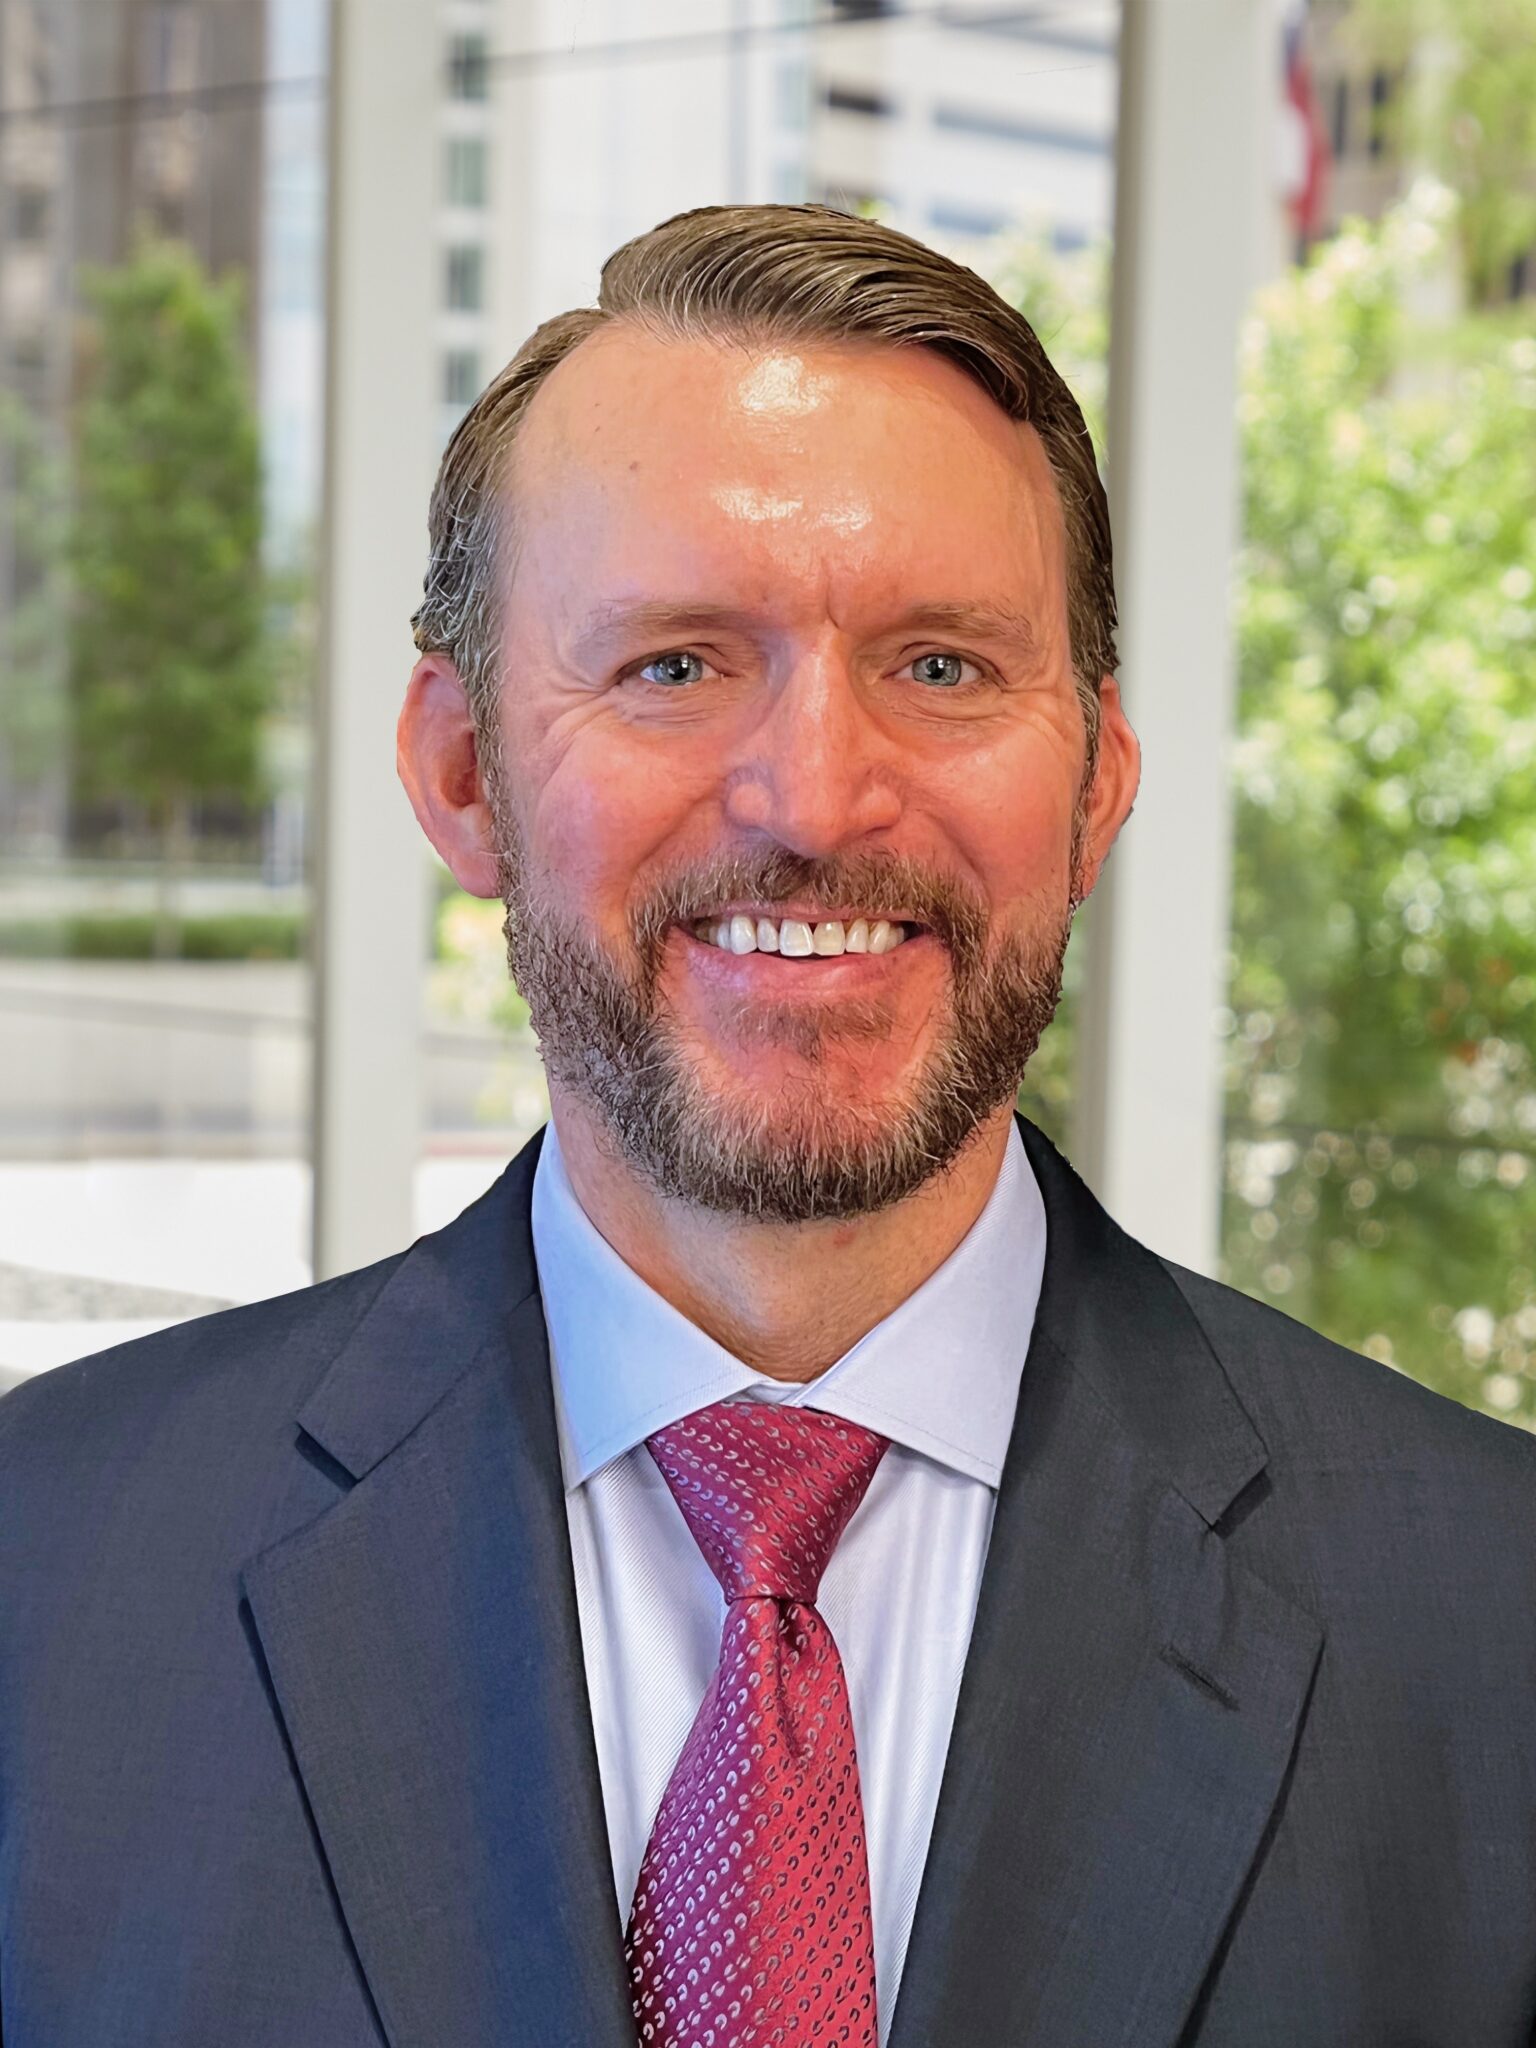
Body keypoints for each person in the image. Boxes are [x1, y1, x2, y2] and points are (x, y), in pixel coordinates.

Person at [1, 203, 1533, 2048]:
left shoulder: (1495, 1624)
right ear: (463, 772)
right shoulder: (43, 1575)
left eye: (942, 665)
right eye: (674, 664)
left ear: (1098, 784)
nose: (813, 798)